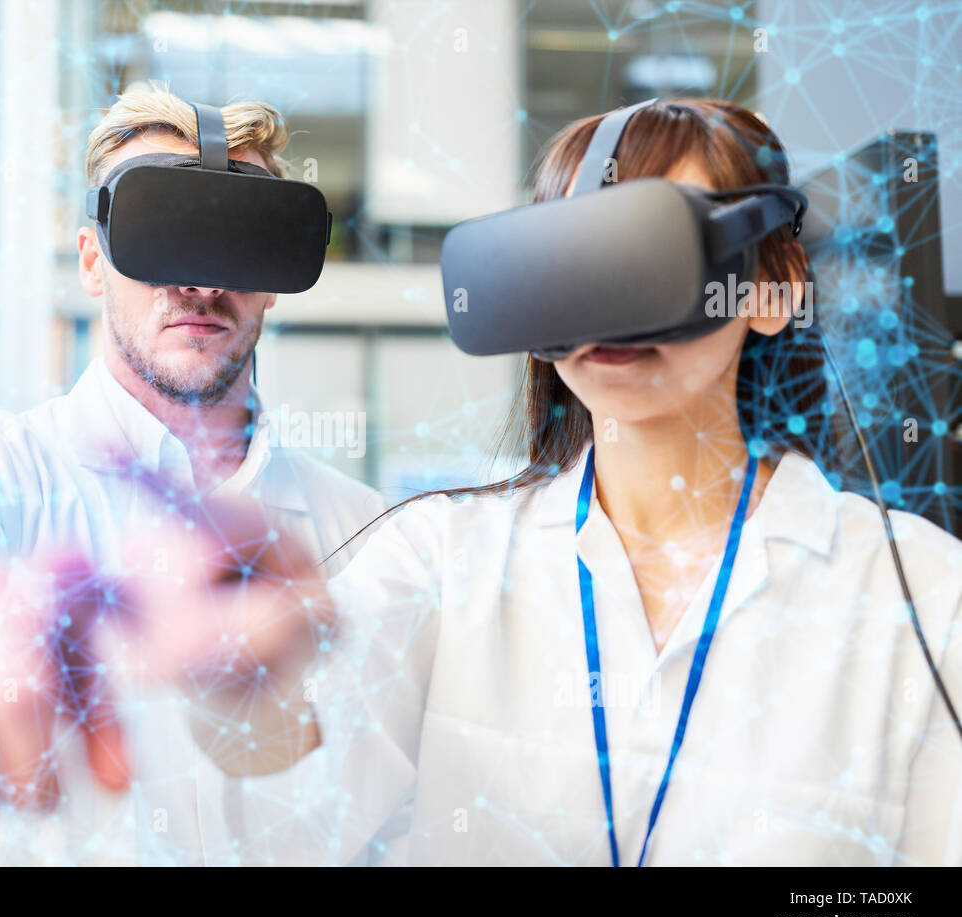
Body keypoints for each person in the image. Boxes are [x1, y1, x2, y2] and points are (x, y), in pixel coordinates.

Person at [131, 99, 962, 865]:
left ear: (773, 289)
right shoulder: (436, 562)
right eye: (571, 256)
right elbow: (289, 796)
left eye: (646, 248)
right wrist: (239, 672)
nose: (605, 303)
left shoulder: (922, 595)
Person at [0, 81, 382, 865]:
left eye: (234, 239)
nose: (199, 284)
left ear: (270, 279)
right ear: (93, 262)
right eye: (160, 233)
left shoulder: (366, 530)